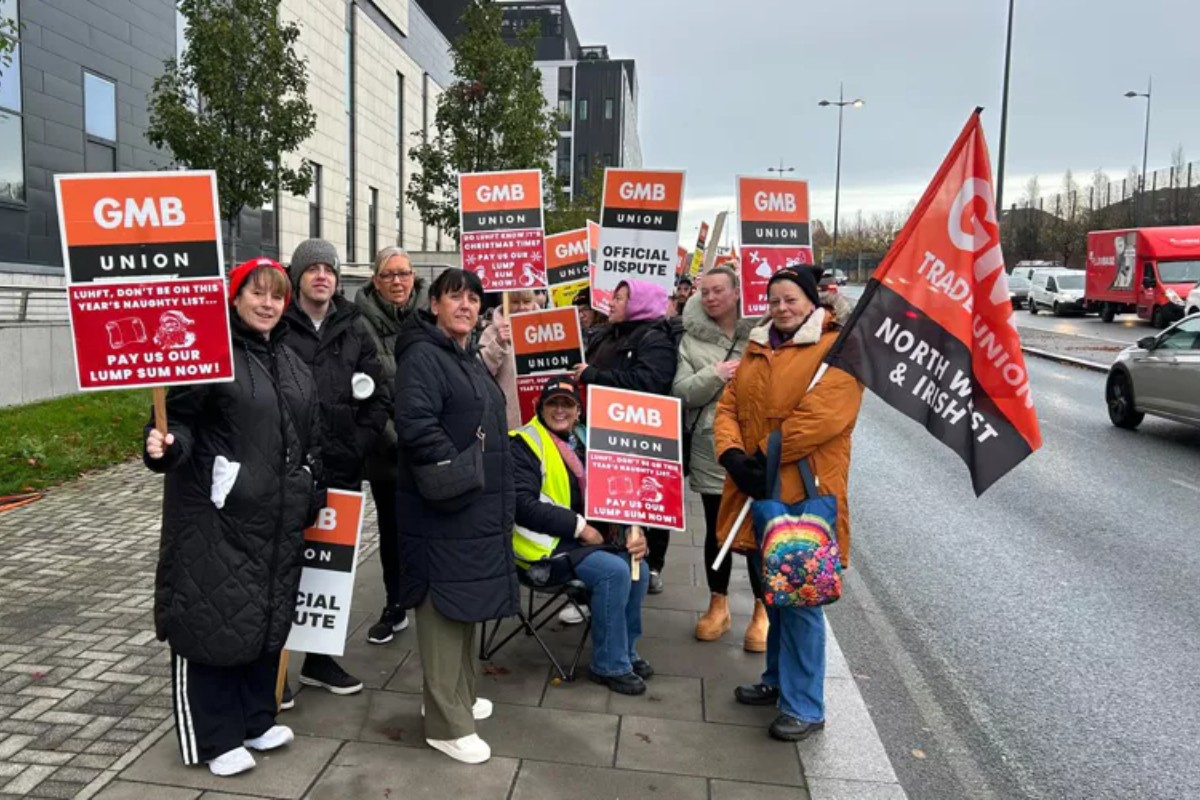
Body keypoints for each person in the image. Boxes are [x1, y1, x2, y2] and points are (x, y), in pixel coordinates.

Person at [144, 258, 324, 776]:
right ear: (235, 296)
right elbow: (177, 421)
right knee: (211, 621)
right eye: (257, 293)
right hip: (216, 520)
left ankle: (253, 718)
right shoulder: (207, 352)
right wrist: (164, 447)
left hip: (276, 523)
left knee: (262, 618)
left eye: (276, 295)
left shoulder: (289, 360)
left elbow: (308, 433)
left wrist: (311, 482)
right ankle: (212, 736)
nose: (267, 304)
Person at [712, 266, 863, 742]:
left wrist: (762, 454)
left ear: (813, 302)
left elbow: (822, 418)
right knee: (774, 593)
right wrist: (733, 455)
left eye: (791, 299)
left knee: (798, 600)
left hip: (803, 493)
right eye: (774, 299)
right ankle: (776, 681)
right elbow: (728, 406)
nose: (781, 308)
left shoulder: (838, 350)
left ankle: (805, 706)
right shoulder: (758, 346)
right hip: (760, 490)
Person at [393, 268, 519, 765]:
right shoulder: (424, 355)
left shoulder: (460, 355)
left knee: (465, 603)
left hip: (472, 506)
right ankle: (446, 723)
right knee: (443, 608)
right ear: (434, 306)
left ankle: (459, 697)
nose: (465, 305)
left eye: (473, 299)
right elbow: (417, 426)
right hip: (444, 506)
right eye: (454, 297)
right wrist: (459, 470)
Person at [279, 238, 389, 702]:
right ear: (298, 276)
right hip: (287, 470)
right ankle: (276, 668)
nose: (321, 275)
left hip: (340, 469)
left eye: (329, 269)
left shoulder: (354, 327)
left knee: (331, 571)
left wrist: (357, 445)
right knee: (284, 565)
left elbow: (379, 393)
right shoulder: (279, 325)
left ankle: (320, 661)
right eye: (313, 268)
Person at [511, 377, 653, 694]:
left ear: (578, 411)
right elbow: (522, 505)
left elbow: (617, 492)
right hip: (539, 548)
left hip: (579, 541)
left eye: (568, 404)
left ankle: (626, 653)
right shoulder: (523, 442)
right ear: (539, 407)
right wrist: (581, 527)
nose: (560, 410)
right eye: (553, 403)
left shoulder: (585, 441)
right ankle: (609, 665)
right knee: (615, 572)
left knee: (638, 568)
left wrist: (633, 530)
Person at [672, 265, 768, 651]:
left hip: (757, 446)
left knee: (760, 529)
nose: (710, 298)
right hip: (712, 450)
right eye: (704, 292)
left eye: (717, 291)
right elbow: (681, 392)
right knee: (718, 528)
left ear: (736, 291)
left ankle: (762, 611)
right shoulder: (690, 340)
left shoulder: (763, 333)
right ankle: (719, 604)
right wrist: (716, 373)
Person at [572, 278, 679, 595]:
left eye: (621, 298)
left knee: (644, 508)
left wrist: (596, 377)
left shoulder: (655, 339)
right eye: (614, 296)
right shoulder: (605, 335)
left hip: (638, 437)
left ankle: (644, 569)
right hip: (599, 435)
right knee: (602, 507)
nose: (612, 302)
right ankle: (602, 573)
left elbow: (649, 383)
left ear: (640, 303)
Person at [356, 246, 430, 645]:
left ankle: (436, 600)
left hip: (430, 446)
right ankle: (396, 603)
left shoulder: (431, 316)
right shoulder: (356, 323)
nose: (397, 282)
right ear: (375, 280)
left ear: (414, 276)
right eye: (388, 275)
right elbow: (363, 391)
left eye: (403, 274)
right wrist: (397, 438)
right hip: (387, 450)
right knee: (392, 529)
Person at [479, 289, 541, 430]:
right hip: (507, 421)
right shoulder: (491, 333)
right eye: (515, 302)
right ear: (505, 303)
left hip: (542, 418)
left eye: (526, 302)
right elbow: (482, 373)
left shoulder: (549, 327)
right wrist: (499, 342)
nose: (522, 307)